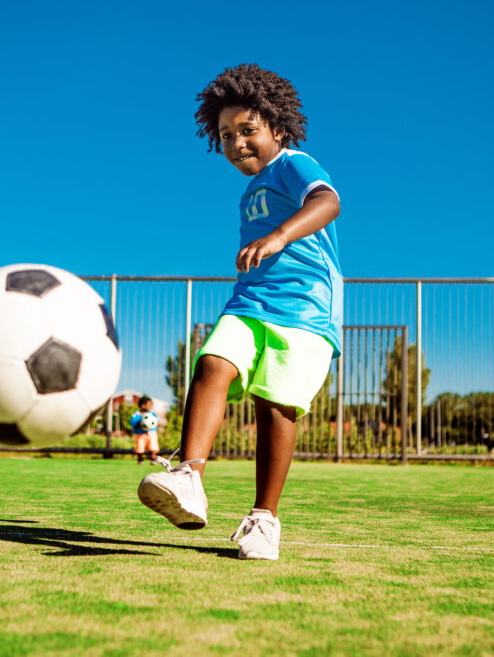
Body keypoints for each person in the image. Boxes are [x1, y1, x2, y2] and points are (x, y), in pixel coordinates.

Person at [138, 64, 343, 561]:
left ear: (277, 127)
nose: (236, 144)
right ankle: (189, 477)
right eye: (226, 135)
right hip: (250, 302)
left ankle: (263, 519)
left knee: (275, 407)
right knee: (211, 363)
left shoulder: (293, 164)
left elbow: (328, 201)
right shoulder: (249, 192)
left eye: (248, 131)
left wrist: (278, 236)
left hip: (305, 311)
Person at [130, 395, 160, 464]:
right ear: (143, 405)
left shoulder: (151, 414)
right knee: (140, 446)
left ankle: (153, 458)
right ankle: (140, 459)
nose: (151, 407)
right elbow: (133, 423)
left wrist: (156, 423)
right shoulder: (136, 415)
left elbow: (156, 421)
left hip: (151, 433)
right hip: (140, 434)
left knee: (153, 445)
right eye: (149, 405)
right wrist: (140, 424)